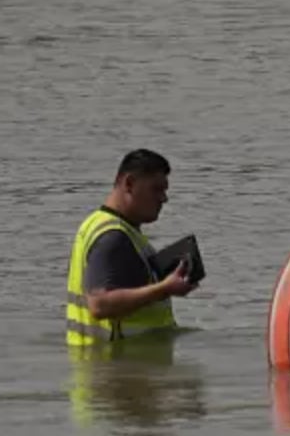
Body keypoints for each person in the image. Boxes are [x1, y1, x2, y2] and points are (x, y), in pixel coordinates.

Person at [64, 148, 195, 347]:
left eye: (165, 190)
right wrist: (164, 289)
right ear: (130, 184)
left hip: (114, 366)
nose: (164, 198)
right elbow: (99, 305)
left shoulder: (107, 226)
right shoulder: (113, 237)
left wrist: (162, 277)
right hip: (116, 367)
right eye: (156, 189)